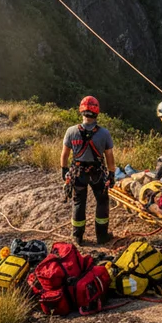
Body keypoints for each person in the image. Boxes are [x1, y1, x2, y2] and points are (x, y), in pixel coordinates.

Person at [60, 96, 116, 246]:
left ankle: (78, 237)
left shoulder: (71, 131)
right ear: (97, 112)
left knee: (79, 202)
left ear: (82, 111)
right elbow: (109, 156)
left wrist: (64, 169)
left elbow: (64, 154)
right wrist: (112, 174)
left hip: (78, 173)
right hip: (97, 173)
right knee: (102, 201)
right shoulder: (104, 133)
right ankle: (102, 236)